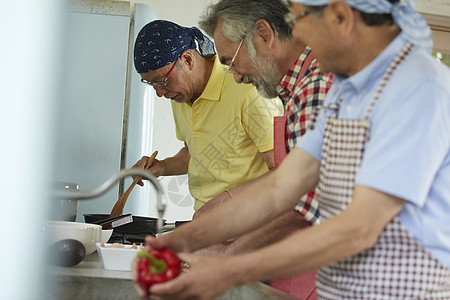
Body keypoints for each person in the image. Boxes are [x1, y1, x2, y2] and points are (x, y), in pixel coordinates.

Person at [133, 1, 450, 299]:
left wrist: (228, 268)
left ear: (341, 18)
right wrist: (182, 241)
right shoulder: (347, 95)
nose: (296, 36)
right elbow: (280, 187)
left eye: (299, 21)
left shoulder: (418, 87)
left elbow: (360, 228)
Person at [195, 0, 333, 298]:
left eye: (231, 61)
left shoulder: (316, 86)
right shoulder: (297, 89)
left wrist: (227, 257)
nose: (237, 77)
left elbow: (307, 202)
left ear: (264, 33)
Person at [132, 20, 281, 211]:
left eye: (161, 81)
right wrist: (162, 167)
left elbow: (282, 172)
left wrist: (229, 199)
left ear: (187, 60)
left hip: (252, 220)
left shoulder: (248, 91)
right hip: (207, 221)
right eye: (151, 84)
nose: (160, 93)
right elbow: (193, 154)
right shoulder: (179, 96)